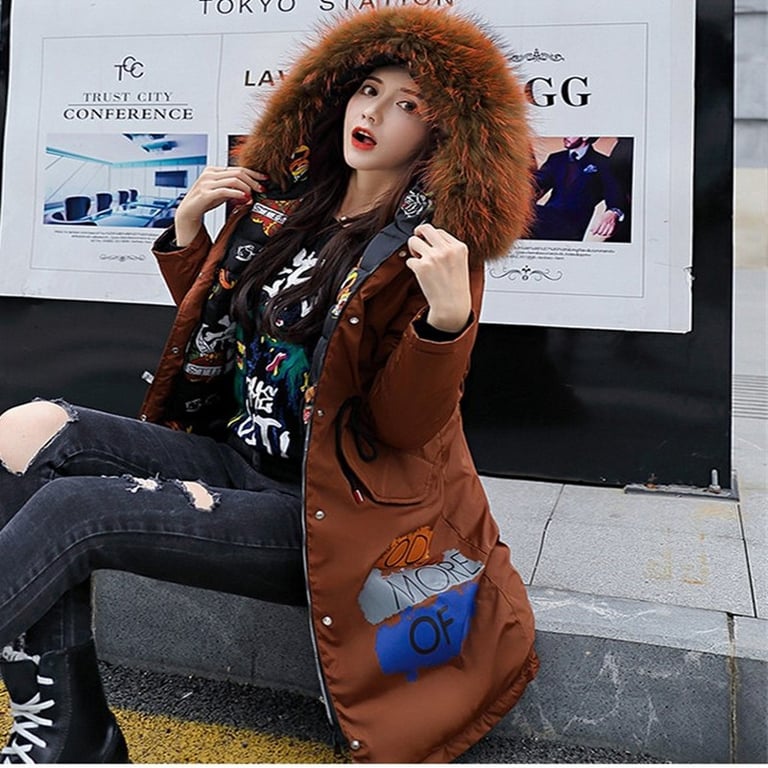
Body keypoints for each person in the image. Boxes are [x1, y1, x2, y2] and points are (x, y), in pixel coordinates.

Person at [0, 7, 539, 763]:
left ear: (442, 132)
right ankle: (66, 729)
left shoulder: (431, 251)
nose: (374, 113)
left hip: (331, 512)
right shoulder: (291, 209)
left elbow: (403, 429)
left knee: (76, 510)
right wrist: (189, 232)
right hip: (239, 459)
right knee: (25, 433)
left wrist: (447, 325)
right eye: (368, 91)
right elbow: (239, 336)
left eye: (407, 105)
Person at [530, 136, 627, 241]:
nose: (566, 136)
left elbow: (615, 193)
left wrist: (614, 212)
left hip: (573, 224)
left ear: (585, 137)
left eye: (571, 133)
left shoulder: (603, 163)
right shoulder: (556, 158)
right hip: (547, 217)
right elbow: (537, 181)